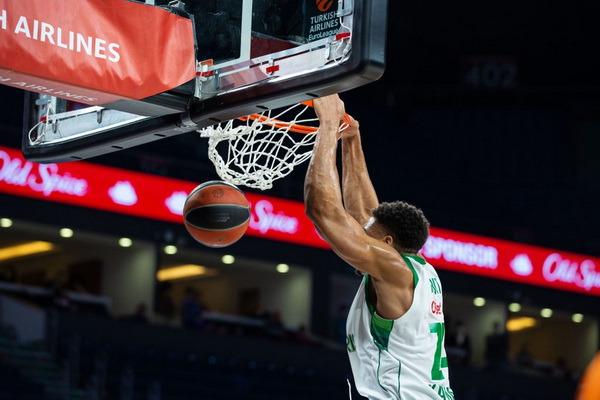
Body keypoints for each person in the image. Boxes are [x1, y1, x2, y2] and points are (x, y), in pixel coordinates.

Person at [304, 95, 453, 399]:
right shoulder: (412, 268)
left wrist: (329, 125)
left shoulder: (395, 270)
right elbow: (365, 215)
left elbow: (322, 212)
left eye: (366, 234)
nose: (358, 233)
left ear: (387, 244)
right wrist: (351, 139)